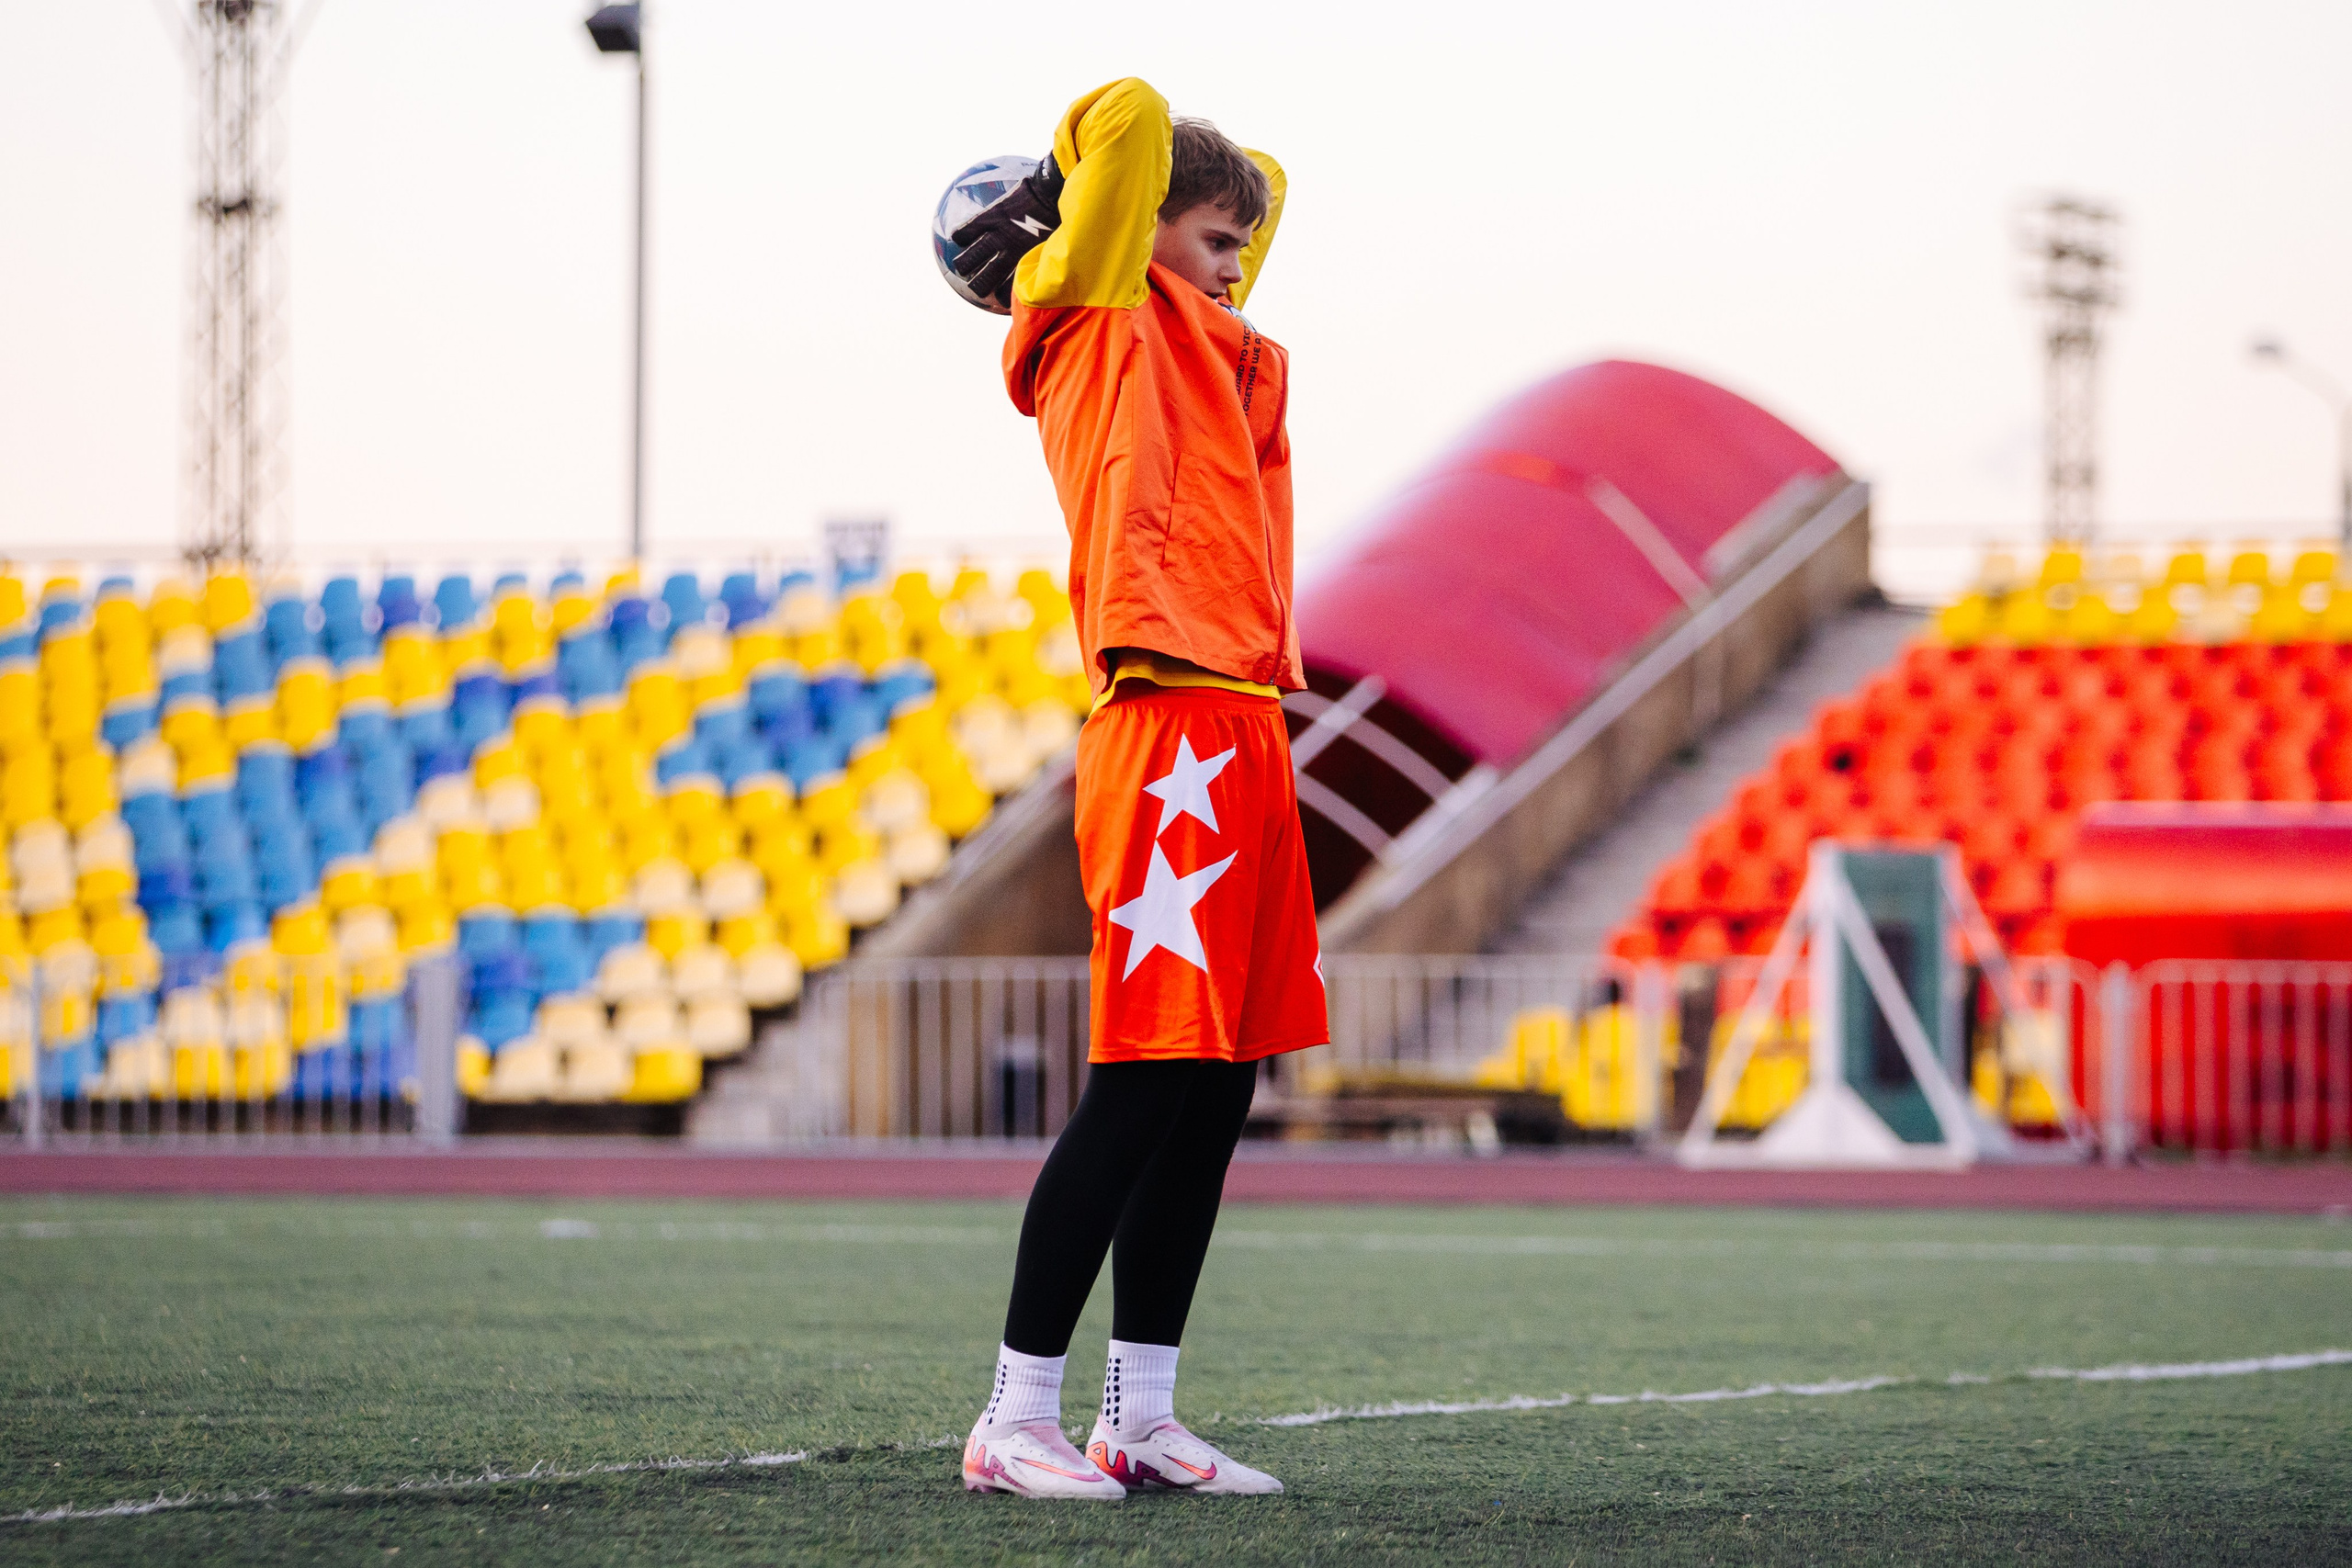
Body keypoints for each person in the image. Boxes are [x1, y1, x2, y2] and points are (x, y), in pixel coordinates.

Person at [946, 77, 1326, 1502]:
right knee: (1143, 1080)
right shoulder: (1092, 322)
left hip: (1241, 720)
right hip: (1163, 717)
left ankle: (1139, 1413)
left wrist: (1218, 207)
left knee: (1218, 1088)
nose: (1241, 257)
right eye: (1210, 236)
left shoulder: (1202, 345)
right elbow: (1133, 116)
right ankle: (1014, 1415)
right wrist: (1076, 192)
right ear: (1124, 224)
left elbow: (1263, 184)